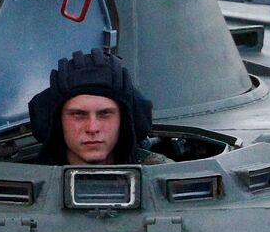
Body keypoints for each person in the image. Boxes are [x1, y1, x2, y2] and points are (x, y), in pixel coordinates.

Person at [26, 50, 170, 165]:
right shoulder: (28, 179)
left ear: (123, 119)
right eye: (78, 115)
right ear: (58, 121)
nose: (92, 128)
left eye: (105, 113)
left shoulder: (160, 174)